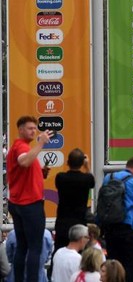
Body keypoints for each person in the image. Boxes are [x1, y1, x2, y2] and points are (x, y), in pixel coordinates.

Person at [7, 116, 52, 282]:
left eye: (35, 128)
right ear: (20, 130)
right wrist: (41, 143)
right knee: (34, 248)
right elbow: (24, 162)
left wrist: (41, 173)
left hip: (18, 203)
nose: (34, 131)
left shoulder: (23, 148)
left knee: (23, 246)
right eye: (30, 128)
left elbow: (24, 168)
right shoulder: (21, 147)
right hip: (30, 204)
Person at [101, 156, 133, 282]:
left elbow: (102, 201)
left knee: (112, 266)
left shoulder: (108, 178)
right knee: (129, 268)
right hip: (129, 230)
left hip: (110, 229)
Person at [54, 150, 95, 256]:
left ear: (67, 162)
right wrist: (87, 166)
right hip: (79, 222)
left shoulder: (60, 177)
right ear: (82, 163)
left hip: (62, 222)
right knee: (80, 255)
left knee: (59, 252)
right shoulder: (86, 179)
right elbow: (92, 181)